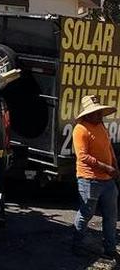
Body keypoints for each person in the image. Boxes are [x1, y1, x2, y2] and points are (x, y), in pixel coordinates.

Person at [72, 94, 119, 261]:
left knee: (111, 215)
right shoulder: (80, 129)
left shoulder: (101, 126)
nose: (100, 116)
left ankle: (110, 249)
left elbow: (109, 147)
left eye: (100, 113)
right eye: (96, 113)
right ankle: (78, 245)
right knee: (86, 213)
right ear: (87, 114)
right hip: (89, 179)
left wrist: (114, 165)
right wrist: (107, 167)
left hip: (107, 180)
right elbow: (83, 157)